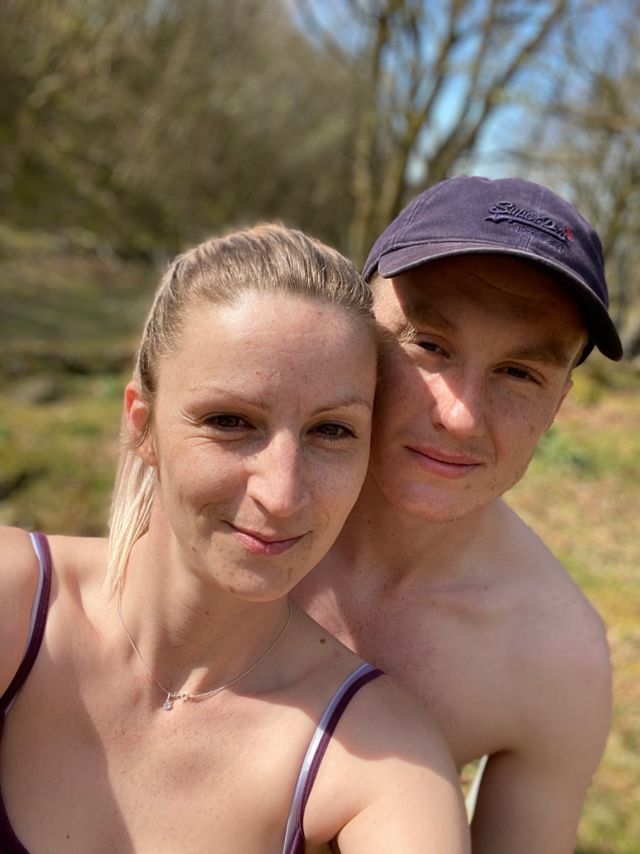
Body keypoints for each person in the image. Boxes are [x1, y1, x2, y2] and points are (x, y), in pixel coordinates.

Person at [0, 225, 470, 853]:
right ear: (142, 425)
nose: (282, 494)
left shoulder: (382, 760)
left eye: (332, 431)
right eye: (230, 422)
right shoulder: (13, 602)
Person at [294, 176, 622, 854]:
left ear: (558, 405)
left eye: (519, 373)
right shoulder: (224, 501)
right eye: (428, 344)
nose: (461, 415)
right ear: (357, 333)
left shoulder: (556, 656)